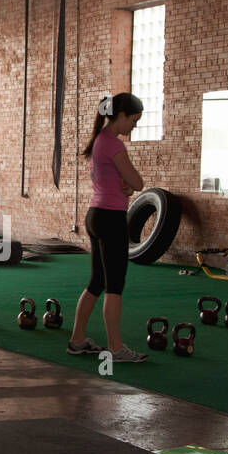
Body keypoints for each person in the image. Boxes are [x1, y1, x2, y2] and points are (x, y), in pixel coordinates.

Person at [67, 93, 148, 363]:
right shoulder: (113, 144)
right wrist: (130, 184)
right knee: (115, 285)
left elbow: (117, 181)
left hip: (96, 215)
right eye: (133, 120)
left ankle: (77, 341)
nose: (133, 126)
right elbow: (137, 182)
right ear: (122, 115)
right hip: (110, 219)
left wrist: (124, 186)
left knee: (97, 282)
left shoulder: (99, 140)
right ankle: (115, 348)